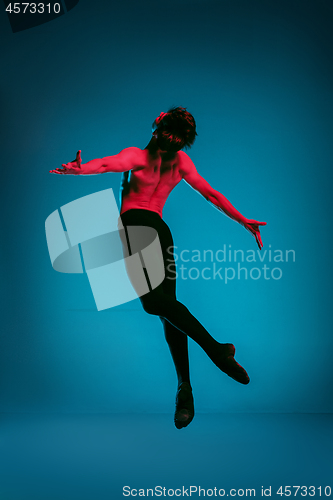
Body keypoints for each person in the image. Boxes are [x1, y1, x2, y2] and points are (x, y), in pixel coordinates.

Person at [50, 106, 266, 429]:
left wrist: (79, 171)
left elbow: (109, 164)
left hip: (137, 227)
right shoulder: (182, 162)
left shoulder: (138, 155)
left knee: (154, 304)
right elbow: (212, 195)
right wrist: (242, 220)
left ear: (159, 124)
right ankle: (185, 391)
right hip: (162, 232)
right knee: (169, 311)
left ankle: (217, 350)